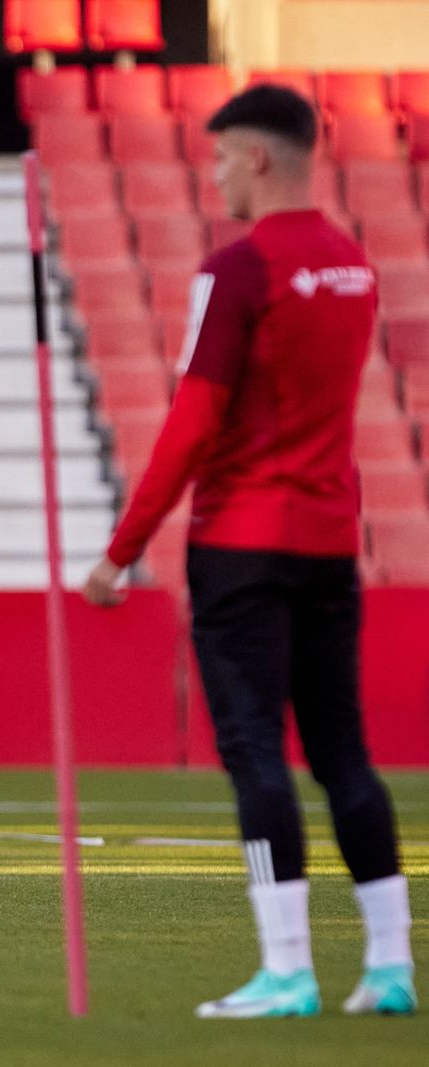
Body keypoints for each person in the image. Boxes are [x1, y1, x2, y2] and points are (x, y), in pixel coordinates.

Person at [83, 85, 415, 1019]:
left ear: (259, 158)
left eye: (222, 156)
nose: (216, 172)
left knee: (254, 753)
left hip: (240, 543)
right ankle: (390, 967)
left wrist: (121, 551)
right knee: (344, 751)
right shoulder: (354, 266)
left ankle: (288, 970)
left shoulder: (239, 270)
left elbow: (195, 424)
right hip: (326, 543)